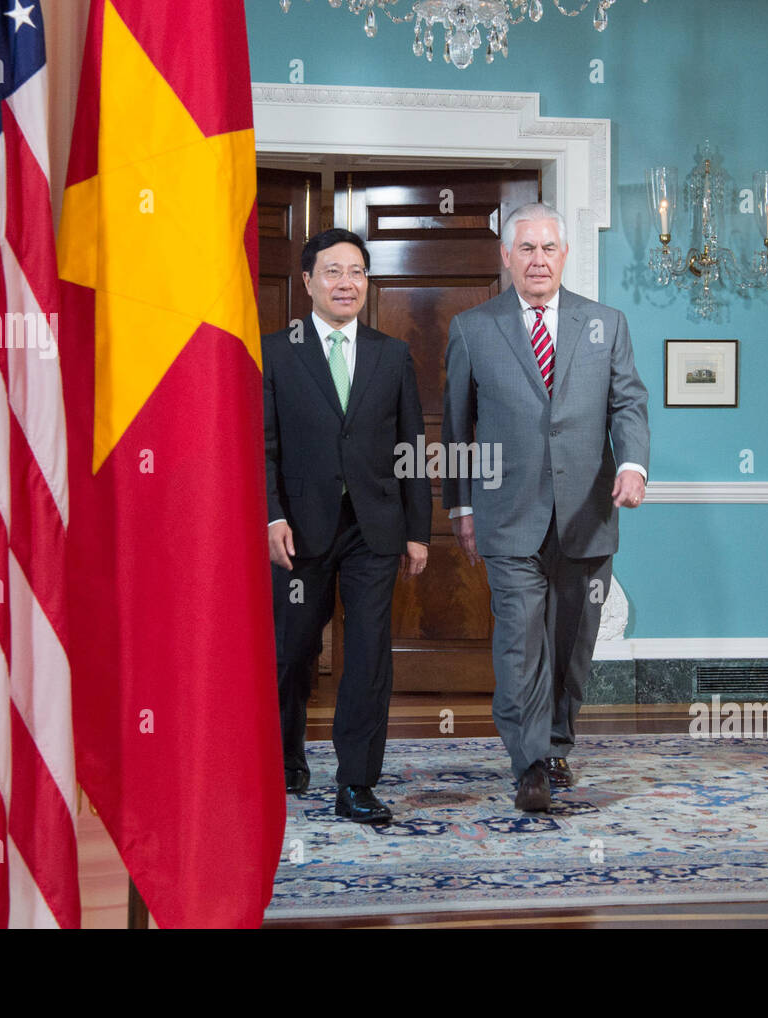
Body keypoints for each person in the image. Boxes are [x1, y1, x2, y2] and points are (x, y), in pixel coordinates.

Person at [441, 203, 650, 813]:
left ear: (564, 255)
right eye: (525, 249)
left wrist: (633, 465)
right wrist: (460, 508)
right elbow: (458, 429)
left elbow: (628, 404)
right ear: (506, 257)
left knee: (571, 642)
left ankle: (558, 742)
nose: (537, 259)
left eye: (548, 248)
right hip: (507, 518)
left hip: (588, 515)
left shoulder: (605, 323)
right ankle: (528, 761)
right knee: (518, 643)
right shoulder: (472, 329)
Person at [263, 228, 431, 824]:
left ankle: (357, 783)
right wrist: (271, 515)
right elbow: (263, 445)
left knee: (368, 656)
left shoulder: (391, 354)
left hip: (373, 530)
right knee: (291, 652)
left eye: (356, 272)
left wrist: (417, 529)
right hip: (298, 534)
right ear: (308, 281)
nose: (346, 283)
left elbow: (411, 443)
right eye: (332, 272)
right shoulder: (276, 351)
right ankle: (285, 757)